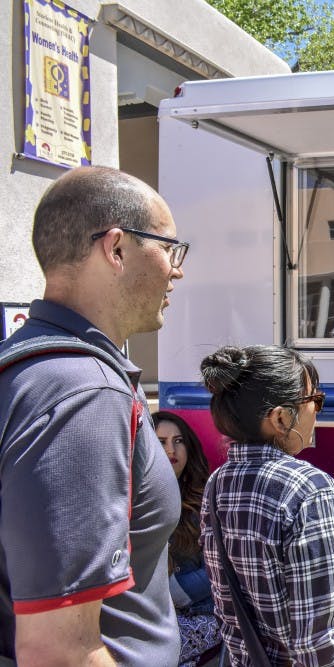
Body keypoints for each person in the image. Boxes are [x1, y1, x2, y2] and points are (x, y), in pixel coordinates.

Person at [0, 167, 187, 665]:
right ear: (117, 248)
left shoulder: (25, 366)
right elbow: (58, 650)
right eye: (170, 249)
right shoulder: (85, 392)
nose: (177, 269)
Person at [199, 344, 334, 666]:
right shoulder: (310, 490)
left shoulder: (218, 484)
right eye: (315, 401)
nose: (317, 411)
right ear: (281, 418)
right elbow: (319, 643)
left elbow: (227, 609)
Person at [153, 411, 222, 667]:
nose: (171, 449)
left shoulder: (205, 499)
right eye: (161, 442)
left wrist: (174, 592)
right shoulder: (132, 500)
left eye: (178, 440)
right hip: (155, 617)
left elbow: (221, 567)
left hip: (199, 616)